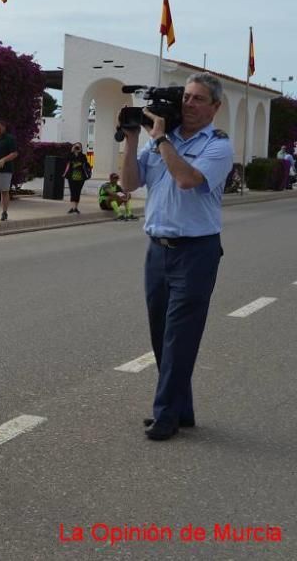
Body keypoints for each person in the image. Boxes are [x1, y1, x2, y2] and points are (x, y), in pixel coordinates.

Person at [119, 72, 234, 441]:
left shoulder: (217, 145)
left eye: (198, 99)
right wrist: (133, 137)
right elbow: (128, 184)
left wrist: (162, 139)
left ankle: (165, 414)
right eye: (186, 96)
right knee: (161, 335)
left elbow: (187, 179)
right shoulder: (156, 141)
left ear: (214, 107)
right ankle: (181, 409)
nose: (188, 104)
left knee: (179, 338)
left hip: (196, 252)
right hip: (158, 250)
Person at [62, 142, 91, 214]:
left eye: (79, 147)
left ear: (81, 148)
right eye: (76, 147)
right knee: (73, 192)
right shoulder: (70, 155)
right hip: (71, 177)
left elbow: (85, 163)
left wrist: (78, 153)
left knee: (77, 192)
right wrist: (72, 151)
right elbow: (66, 160)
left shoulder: (83, 156)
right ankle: (73, 208)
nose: (77, 148)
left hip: (81, 178)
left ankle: (76, 208)